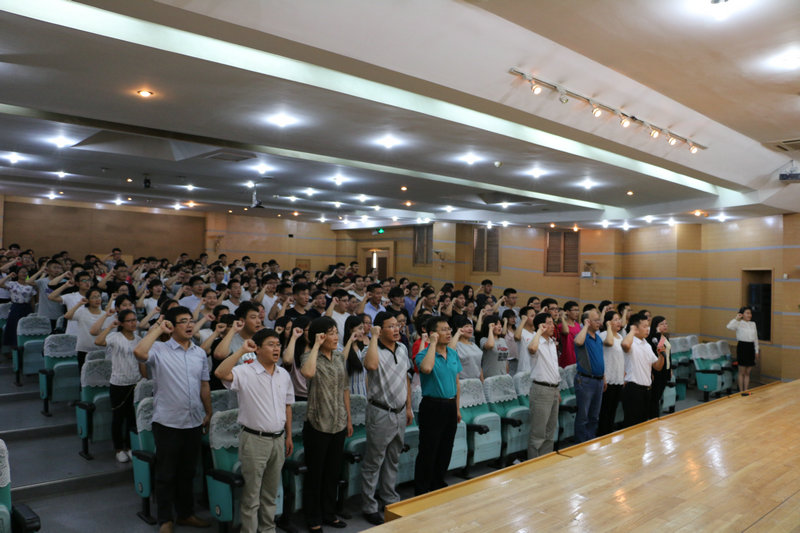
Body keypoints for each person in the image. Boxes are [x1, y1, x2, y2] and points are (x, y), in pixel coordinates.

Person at [133, 306, 212, 533]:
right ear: (172, 326)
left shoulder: (199, 353)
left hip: (193, 421)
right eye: (183, 321)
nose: (189, 325)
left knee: (188, 472)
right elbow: (139, 353)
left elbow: (204, 385)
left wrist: (208, 412)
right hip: (168, 422)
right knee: (166, 474)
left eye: (191, 321)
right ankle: (165, 519)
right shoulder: (159, 349)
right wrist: (159, 329)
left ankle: (186, 514)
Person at [215, 329, 294, 533]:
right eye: (271, 344)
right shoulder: (245, 371)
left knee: (270, 493)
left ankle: (268, 529)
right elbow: (220, 373)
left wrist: (289, 436)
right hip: (254, 439)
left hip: (278, 439)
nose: (276, 349)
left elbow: (287, 406)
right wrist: (241, 351)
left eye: (278, 344)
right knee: (251, 495)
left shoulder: (283, 374)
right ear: (257, 349)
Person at [359, 312, 412, 525]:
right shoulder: (370, 349)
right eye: (390, 326)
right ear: (379, 330)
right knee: (374, 461)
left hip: (400, 411)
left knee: (393, 458)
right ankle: (369, 506)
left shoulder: (402, 348)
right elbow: (371, 366)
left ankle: (390, 499)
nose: (396, 329)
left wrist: (408, 407)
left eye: (397, 325)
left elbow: (406, 378)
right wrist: (373, 337)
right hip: (380, 412)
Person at [300, 317, 352, 531]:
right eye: (330, 333)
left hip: (339, 422)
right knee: (316, 474)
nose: (335, 337)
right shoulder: (308, 356)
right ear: (319, 336)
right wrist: (316, 346)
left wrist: (348, 418)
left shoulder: (339, 357)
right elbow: (308, 373)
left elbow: (345, 388)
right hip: (317, 423)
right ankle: (313, 517)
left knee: (332, 472)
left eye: (336, 332)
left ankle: (329, 513)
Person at [414, 315, 462, 495]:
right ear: (432, 334)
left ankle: (437, 484)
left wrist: (457, 408)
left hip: (450, 406)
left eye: (449, 329)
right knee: (428, 450)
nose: (448, 332)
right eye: (443, 330)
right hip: (432, 406)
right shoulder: (423, 354)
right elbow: (426, 369)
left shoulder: (453, 353)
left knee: (446, 448)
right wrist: (432, 344)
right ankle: (422, 490)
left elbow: (456, 382)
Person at [95, 309, 143, 463]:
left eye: (134, 320)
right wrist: (110, 326)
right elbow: (98, 341)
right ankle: (118, 448)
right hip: (119, 384)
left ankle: (129, 446)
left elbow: (141, 361)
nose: (133, 323)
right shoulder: (115, 337)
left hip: (135, 383)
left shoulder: (138, 339)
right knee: (118, 418)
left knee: (132, 418)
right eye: (129, 321)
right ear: (121, 323)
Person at [621, 313, 665, 428]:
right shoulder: (631, 342)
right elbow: (624, 344)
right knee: (632, 424)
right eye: (644, 326)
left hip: (647, 390)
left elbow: (657, 366)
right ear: (636, 328)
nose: (648, 329)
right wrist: (632, 331)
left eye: (648, 326)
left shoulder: (647, 345)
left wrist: (661, 355)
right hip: (633, 389)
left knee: (643, 425)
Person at [526, 313, 560, 458]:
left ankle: (545, 461)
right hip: (541, 389)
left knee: (550, 430)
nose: (552, 326)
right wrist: (539, 331)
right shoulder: (535, 340)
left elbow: (553, 369)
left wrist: (557, 390)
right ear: (541, 325)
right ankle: (534, 463)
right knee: (538, 432)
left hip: (553, 389)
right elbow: (532, 349)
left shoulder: (552, 342)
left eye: (553, 323)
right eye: (549, 323)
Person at [572, 309, 605, 443]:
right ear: (587, 321)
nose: (599, 322)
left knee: (594, 416)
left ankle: (590, 442)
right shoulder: (583, 336)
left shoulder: (598, 338)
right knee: (583, 416)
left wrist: (604, 377)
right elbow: (578, 342)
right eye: (595, 320)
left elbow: (600, 359)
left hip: (599, 380)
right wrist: (585, 326)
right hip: (585, 380)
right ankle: (580, 444)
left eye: (599, 320)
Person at [597, 311, 624, 436]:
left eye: (619, 319)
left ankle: (609, 435)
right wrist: (607, 327)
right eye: (615, 319)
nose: (619, 322)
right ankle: (602, 435)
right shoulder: (603, 335)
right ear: (608, 322)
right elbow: (610, 342)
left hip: (619, 377)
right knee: (605, 410)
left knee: (613, 409)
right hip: (608, 378)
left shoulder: (621, 337)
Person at [727, 307, 759, 392]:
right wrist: (737, 318)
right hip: (742, 347)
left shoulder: (753, 324)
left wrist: (756, 350)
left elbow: (756, 338)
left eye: (750, 313)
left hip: (751, 347)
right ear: (742, 314)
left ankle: (746, 390)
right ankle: (741, 391)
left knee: (747, 372)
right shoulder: (738, 323)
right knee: (742, 372)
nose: (749, 315)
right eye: (747, 313)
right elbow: (729, 327)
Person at [647, 316, 671, 419]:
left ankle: (655, 416)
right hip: (657, 371)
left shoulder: (664, 337)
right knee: (655, 397)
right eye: (662, 324)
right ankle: (653, 418)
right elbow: (654, 355)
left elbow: (669, 355)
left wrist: (670, 368)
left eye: (666, 323)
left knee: (659, 396)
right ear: (655, 326)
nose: (665, 326)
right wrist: (657, 333)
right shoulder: (653, 339)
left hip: (665, 370)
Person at [450, 315, 483, 381]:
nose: (470, 329)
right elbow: (449, 350)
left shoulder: (474, 345)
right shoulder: (456, 344)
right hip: (462, 381)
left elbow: (479, 366)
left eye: (471, 326)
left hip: (477, 381)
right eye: (466, 326)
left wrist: (482, 381)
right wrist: (458, 333)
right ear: (459, 329)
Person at [342, 315, 367, 396]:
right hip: (350, 395)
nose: (363, 331)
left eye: (363, 328)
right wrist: (350, 341)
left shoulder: (363, 348)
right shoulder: (342, 349)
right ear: (350, 330)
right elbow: (341, 360)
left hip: (363, 393)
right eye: (360, 328)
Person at [558, 301, 582, 368]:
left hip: (578, 359)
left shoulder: (578, 325)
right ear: (567, 312)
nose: (577, 313)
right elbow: (566, 331)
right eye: (575, 310)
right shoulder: (561, 326)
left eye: (578, 310)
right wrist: (562, 318)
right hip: (567, 360)